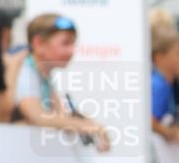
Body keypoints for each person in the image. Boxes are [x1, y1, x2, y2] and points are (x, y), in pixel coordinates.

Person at [11, 13, 110, 151]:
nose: (71, 50)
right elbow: (38, 116)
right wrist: (86, 126)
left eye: (73, 43)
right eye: (66, 43)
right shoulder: (24, 70)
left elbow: (60, 115)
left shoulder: (44, 76)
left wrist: (88, 123)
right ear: (38, 44)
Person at [150, 26, 179, 150]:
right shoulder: (157, 85)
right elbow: (150, 121)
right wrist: (174, 134)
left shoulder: (166, 84)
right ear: (159, 57)